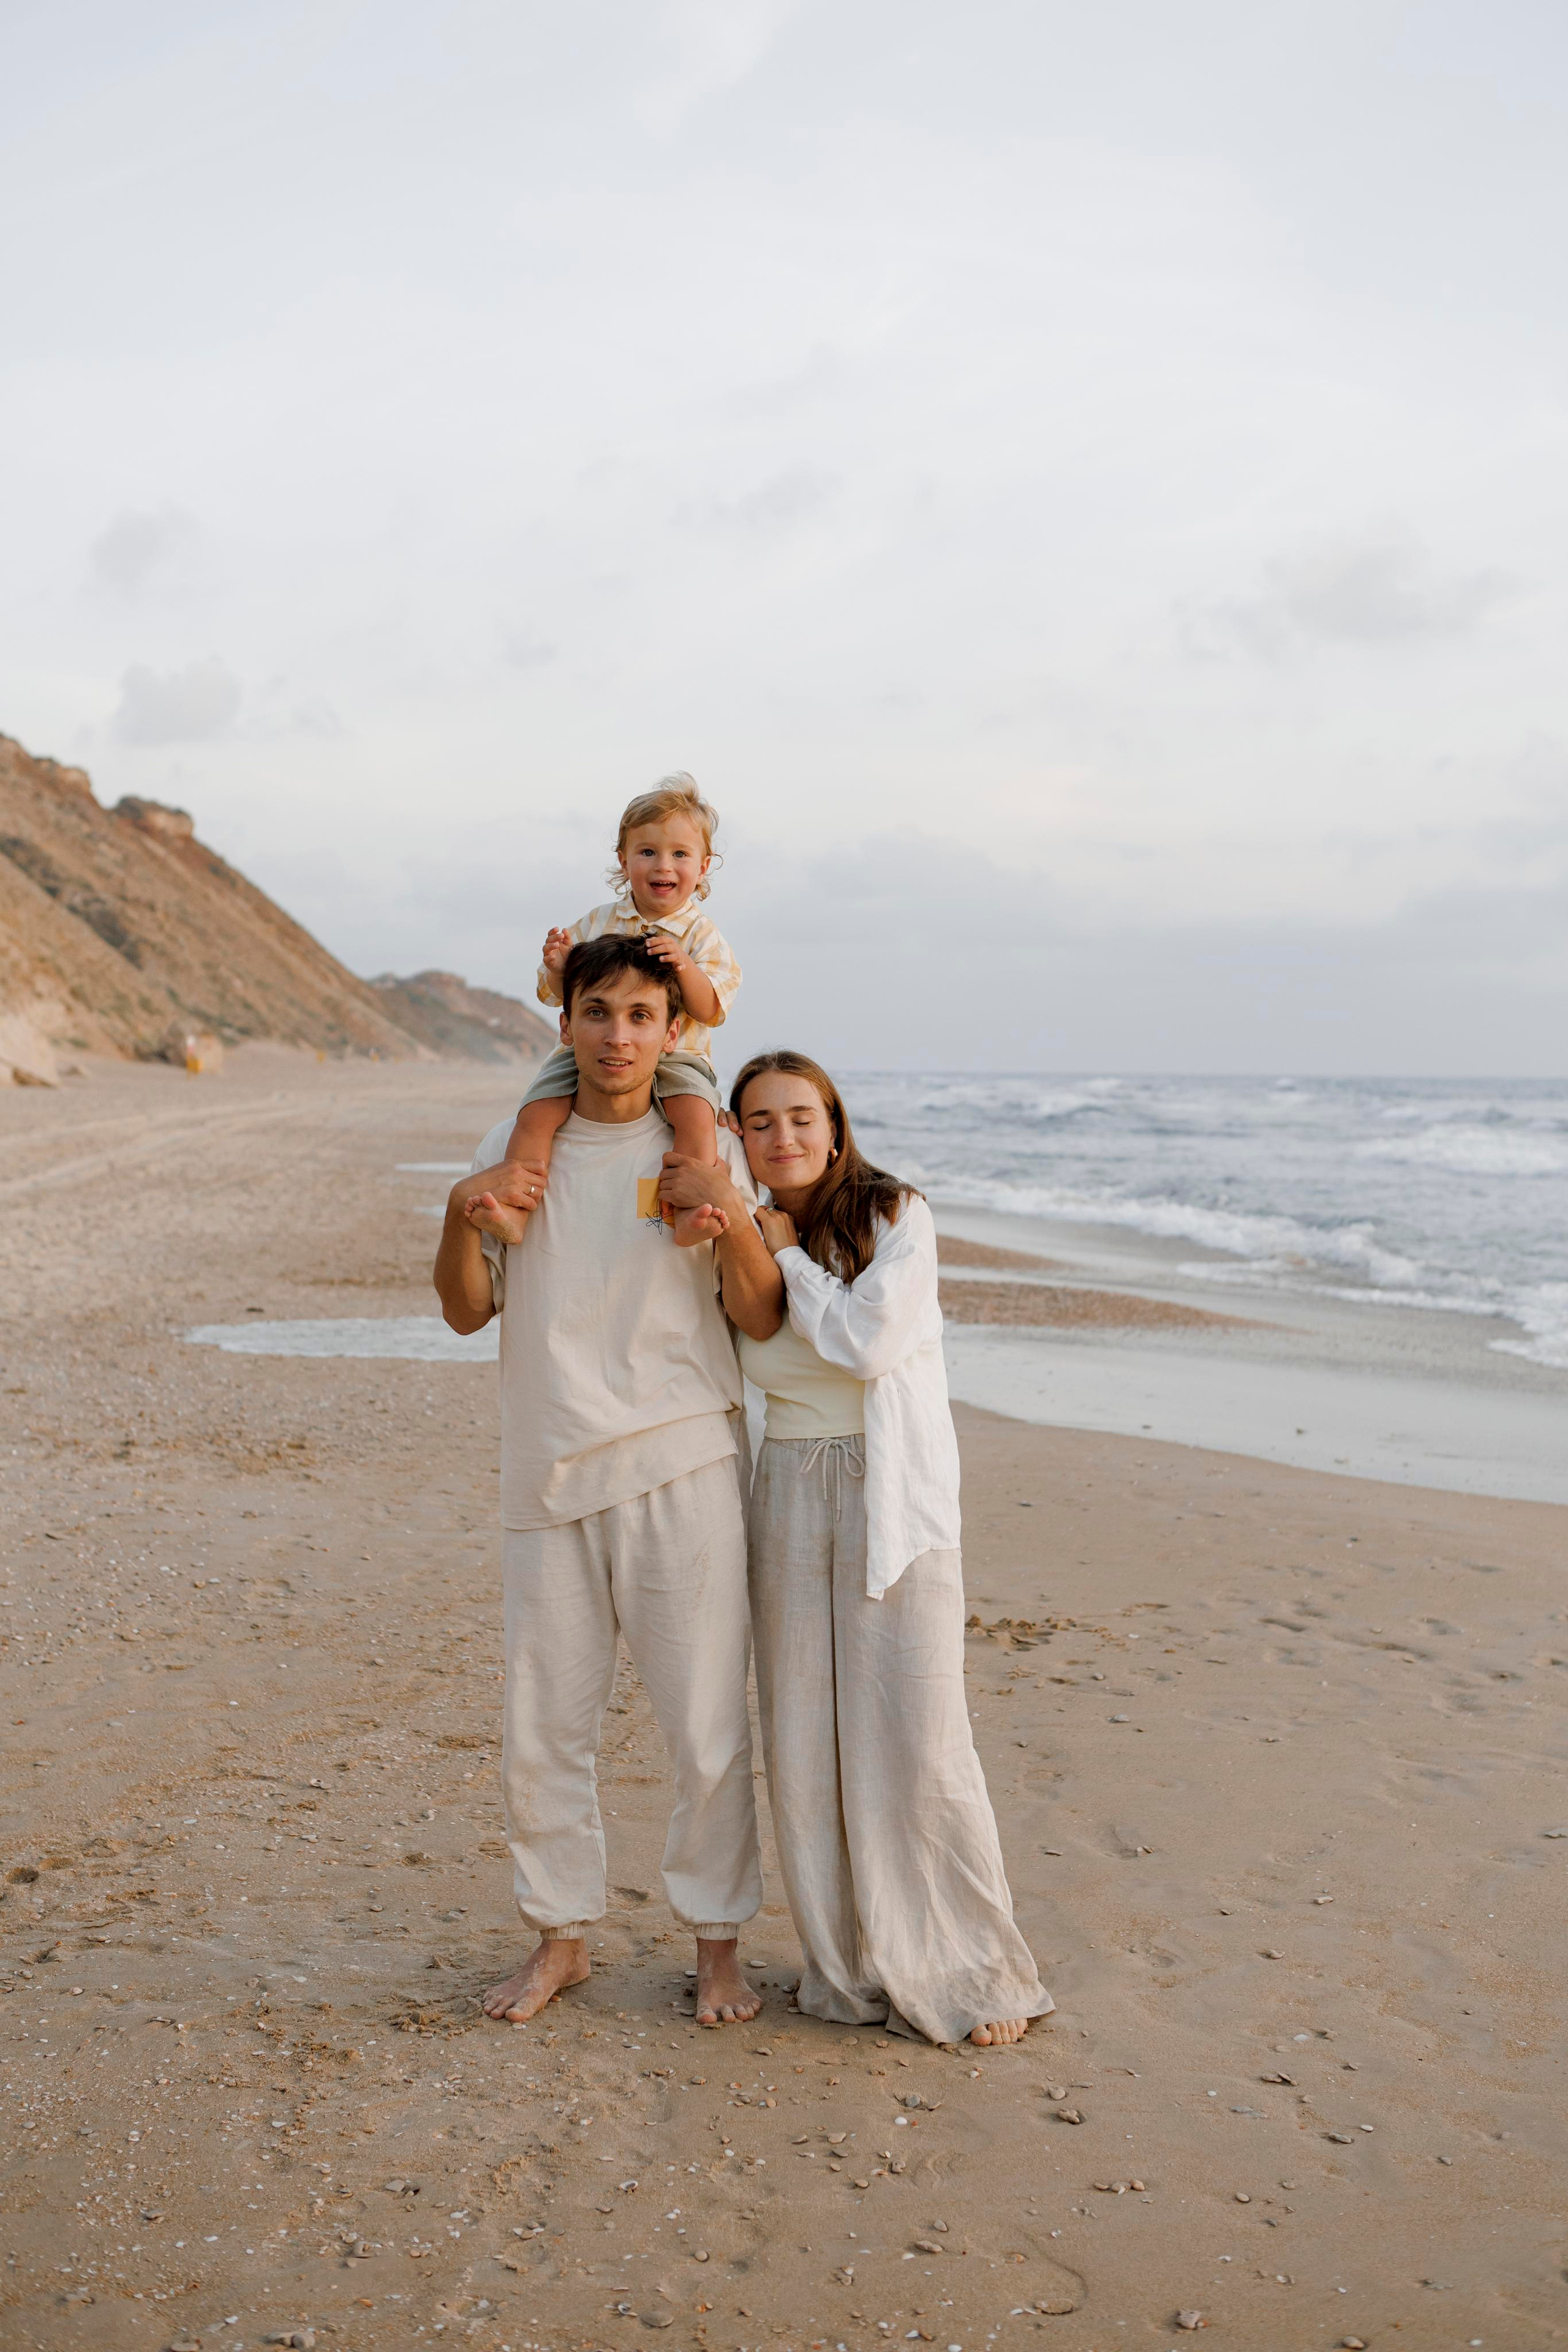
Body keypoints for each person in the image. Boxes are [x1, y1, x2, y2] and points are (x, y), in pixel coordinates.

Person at [661, 1050, 1051, 2049]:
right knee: (804, 1740)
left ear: (835, 1128)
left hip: (894, 1493)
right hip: (786, 1487)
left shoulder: (892, 1215)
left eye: (802, 1117)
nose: (783, 1136)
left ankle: (972, 1970)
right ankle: (848, 1969)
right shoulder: (739, 1237)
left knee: (916, 1736)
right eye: (760, 1121)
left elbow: (869, 1344)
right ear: (738, 1137)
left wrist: (786, 1253)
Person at [432, 932, 780, 2029]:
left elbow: (758, 1310)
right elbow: (464, 1310)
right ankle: (560, 1940)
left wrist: (724, 1213)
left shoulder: (703, 1152)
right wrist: (459, 1210)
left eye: (641, 1017)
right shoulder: (515, 1147)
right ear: (566, 1021)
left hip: (683, 1459)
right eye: (598, 1013)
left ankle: (717, 1947)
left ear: (675, 1033)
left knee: (705, 1726)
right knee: (545, 1723)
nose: (619, 1035)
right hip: (548, 1465)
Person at [490, 774, 740, 1247]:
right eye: (647, 852)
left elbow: (710, 1010)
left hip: (678, 1057)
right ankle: (516, 1209)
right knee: (537, 1112)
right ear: (624, 861)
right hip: (594, 1052)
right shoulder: (597, 922)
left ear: (704, 866)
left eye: (680, 854)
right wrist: (560, 967)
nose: (663, 864)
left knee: (696, 1122)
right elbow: (562, 996)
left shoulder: (703, 937)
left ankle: (680, 1214)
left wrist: (684, 965)